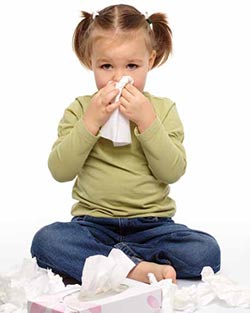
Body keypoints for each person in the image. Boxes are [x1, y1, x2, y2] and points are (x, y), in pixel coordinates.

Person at [31, 4, 220, 285]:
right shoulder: (80, 109)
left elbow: (172, 172)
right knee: (46, 241)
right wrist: (90, 122)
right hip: (92, 225)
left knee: (206, 251)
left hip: (153, 226)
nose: (119, 78)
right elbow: (60, 170)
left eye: (132, 65)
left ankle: (112, 261)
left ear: (151, 60)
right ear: (89, 61)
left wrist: (147, 122)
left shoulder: (163, 110)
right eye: (106, 66)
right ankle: (135, 268)